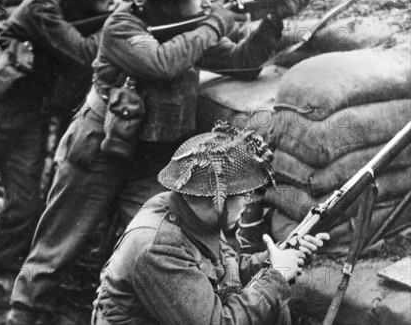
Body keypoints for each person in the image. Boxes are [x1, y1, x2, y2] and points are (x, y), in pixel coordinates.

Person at [8, 0, 311, 324]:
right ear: (165, 1)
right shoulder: (122, 26)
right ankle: (21, 317)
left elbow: (242, 62)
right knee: (54, 252)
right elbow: (160, 62)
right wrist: (215, 23)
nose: (206, 2)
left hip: (150, 161)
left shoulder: (190, 27)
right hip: (98, 152)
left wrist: (273, 19)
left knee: (158, 243)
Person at [0, 0, 127, 319]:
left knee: (26, 207)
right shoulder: (41, 6)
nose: (110, 1)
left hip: (31, 116)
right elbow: (83, 52)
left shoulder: (74, 12)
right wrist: (124, 19)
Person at [92, 124, 330, 325]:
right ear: (215, 197)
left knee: (275, 306)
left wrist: (279, 257)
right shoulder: (158, 247)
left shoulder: (196, 217)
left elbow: (223, 273)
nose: (248, 203)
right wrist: (277, 276)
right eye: (243, 194)